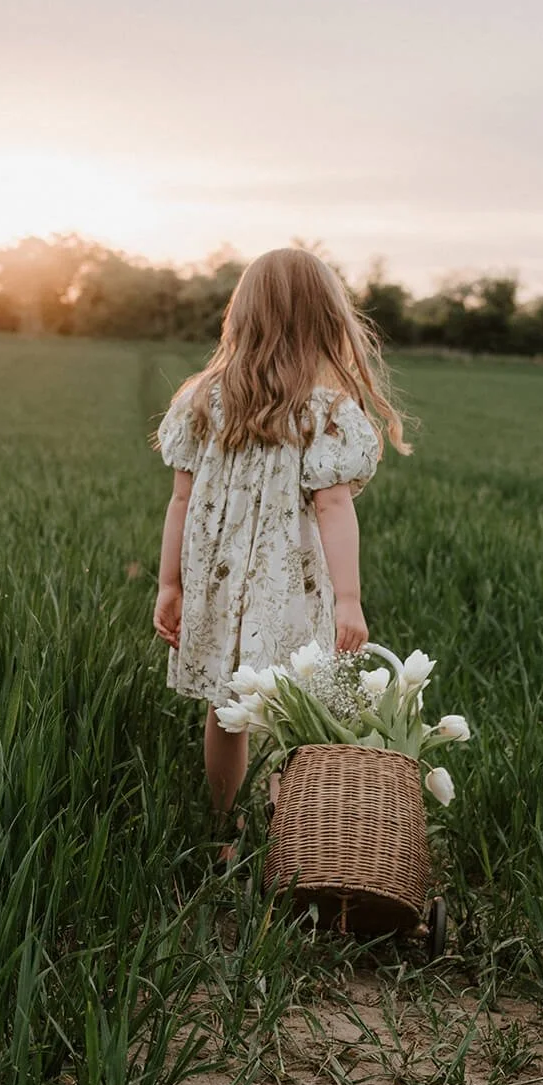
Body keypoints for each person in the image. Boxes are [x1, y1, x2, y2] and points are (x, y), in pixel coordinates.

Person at [153, 247, 409, 817]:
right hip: (288, 587)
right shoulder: (324, 413)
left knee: (228, 708)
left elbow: (181, 500)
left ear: (241, 317)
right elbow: (334, 506)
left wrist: (169, 585)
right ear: (325, 321)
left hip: (217, 585)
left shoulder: (202, 402)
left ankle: (226, 833)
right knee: (298, 703)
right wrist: (349, 600)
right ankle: (292, 832)